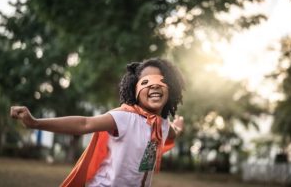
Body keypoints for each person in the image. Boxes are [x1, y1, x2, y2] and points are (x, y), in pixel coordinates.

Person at [10, 57, 185, 187]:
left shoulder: (162, 125)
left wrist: (178, 127)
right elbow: (84, 124)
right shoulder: (124, 118)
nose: (154, 86)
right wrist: (35, 123)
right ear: (135, 90)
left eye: (161, 81)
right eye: (146, 82)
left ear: (171, 88)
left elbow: (173, 132)